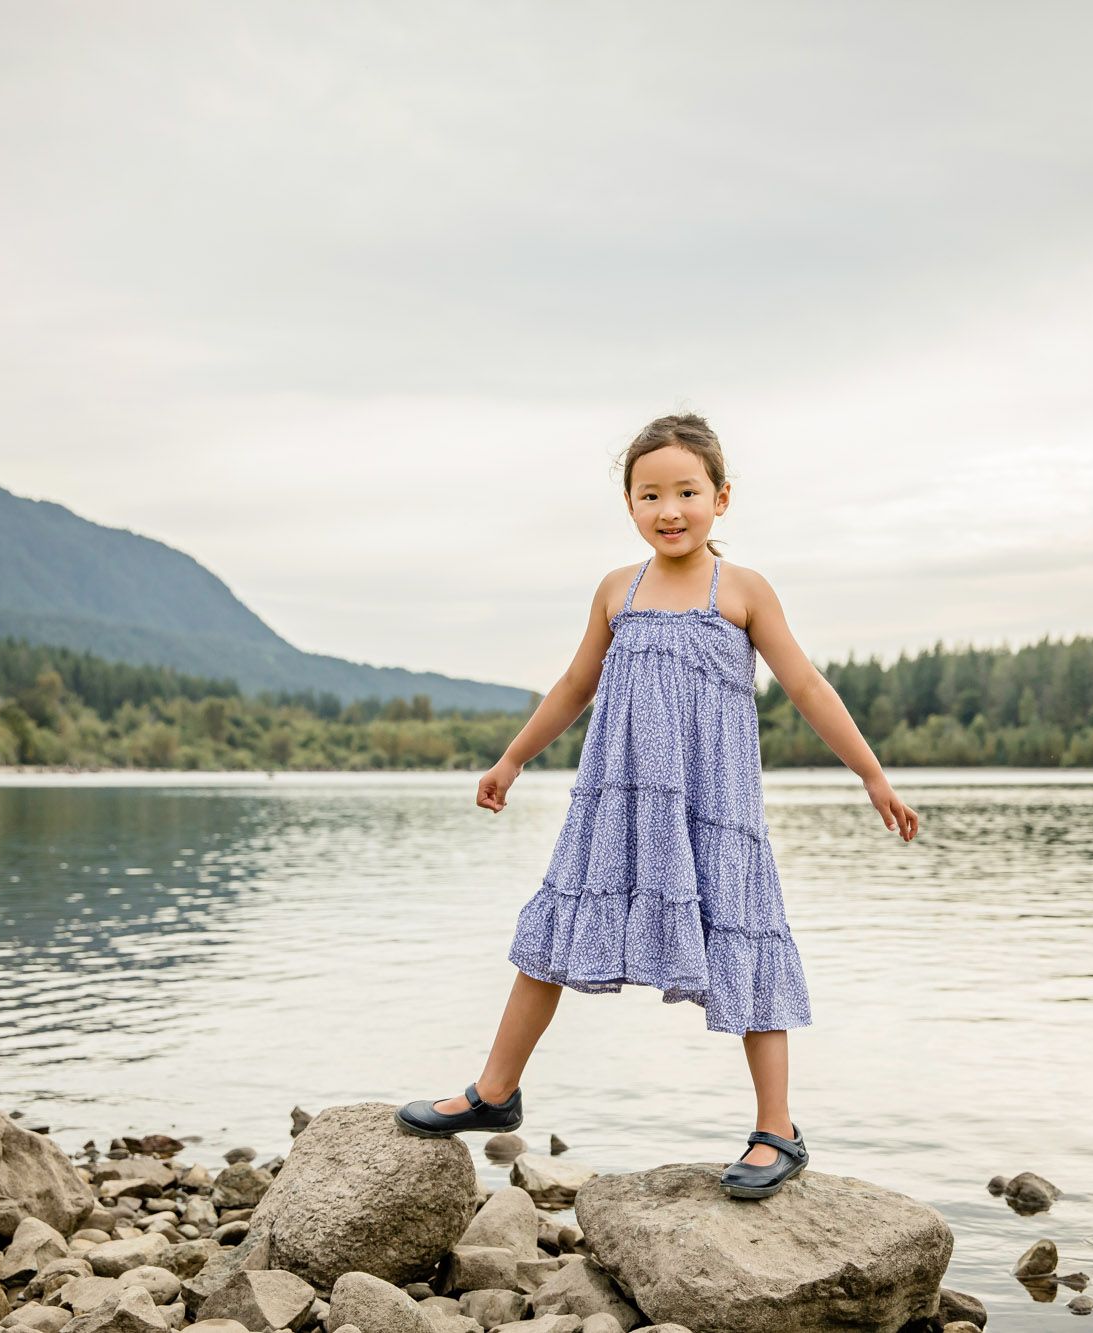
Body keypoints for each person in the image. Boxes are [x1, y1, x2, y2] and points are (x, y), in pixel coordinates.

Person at [393, 413, 919, 1200]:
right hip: (619, 803)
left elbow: (806, 686)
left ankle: (777, 1128)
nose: (668, 509)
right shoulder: (618, 589)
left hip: (714, 806)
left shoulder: (741, 590)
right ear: (630, 505)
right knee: (555, 932)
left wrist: (872, 774)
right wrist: (512, 757)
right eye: (649, 494)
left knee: (744, 941)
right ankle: (493, 1091)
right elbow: (576, 685)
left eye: (686, 491)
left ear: (721, 497)